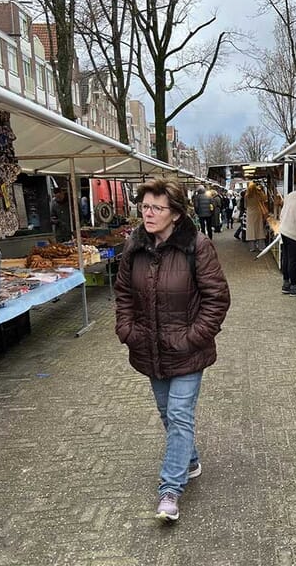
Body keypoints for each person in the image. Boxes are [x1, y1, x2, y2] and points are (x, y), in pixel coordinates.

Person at [115, 180, 230, 524]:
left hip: (187, 351)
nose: (148, 214)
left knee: (180, 415)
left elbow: (217, 298)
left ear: (176, 214)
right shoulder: (134, 245)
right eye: (144, 207)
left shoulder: (198, 246)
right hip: (149, 348)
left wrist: (193, 336)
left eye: (156, 208)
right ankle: (190, 461)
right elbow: (122, 291)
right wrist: (127, 329)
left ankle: (170, 489)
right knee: (168, 414)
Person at [244, 181, 267, 252]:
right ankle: (261, 247)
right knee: (259, 229)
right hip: (258, 212)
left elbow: (245, 205)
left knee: (251, 230)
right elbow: (265, 199)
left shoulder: (246, 195)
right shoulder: (258, 194)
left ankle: (252, 248)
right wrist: (260, 191)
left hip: (250, 213)